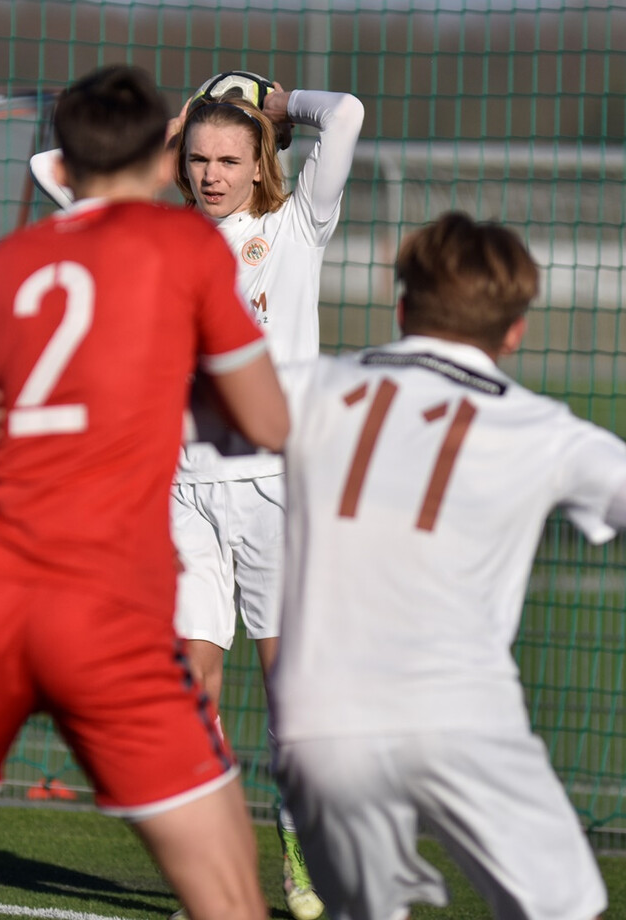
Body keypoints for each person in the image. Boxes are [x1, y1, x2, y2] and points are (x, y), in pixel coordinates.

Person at [0, 64, 289, 920]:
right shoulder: (185, 249)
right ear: (160, 155)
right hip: (105, 614)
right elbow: (268, 420)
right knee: (229, 898)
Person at [31, 75, 365, 920]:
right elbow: (54, 168)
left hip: (272, 497)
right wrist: (178, 124)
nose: (212, 173)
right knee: (190, 693)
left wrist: (276, 106)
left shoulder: (293, 230)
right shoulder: (151, 235)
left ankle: (300, 842)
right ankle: (217, 868)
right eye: (198, 159)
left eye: (230, 159)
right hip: (182, 499)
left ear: (261, 167)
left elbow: (349, 115)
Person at [270, 211, 615, 920]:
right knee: (567, 908)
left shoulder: (304, 387)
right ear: (514, 329)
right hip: (463, 714)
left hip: (321, 725)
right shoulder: (546, 431)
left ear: (401, 308)